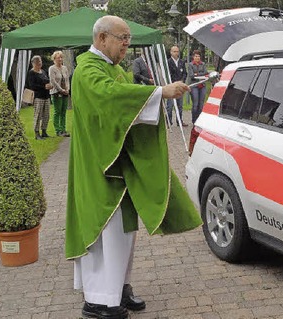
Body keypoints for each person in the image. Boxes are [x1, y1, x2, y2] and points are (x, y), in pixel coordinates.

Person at [65, 15, 202, 319]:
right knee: (106, 232)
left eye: (128, 38)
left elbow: (129, 111)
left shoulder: (112, 69)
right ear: (102, 38)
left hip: (118, 162)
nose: (127, 44)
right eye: (122, 38)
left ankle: (119, 289)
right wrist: (159, 93)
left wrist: (155, 95)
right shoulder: (88, 69)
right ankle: (100, 301)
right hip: (100, 166)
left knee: (126, 232)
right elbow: (111, 100)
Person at [26, 55, 52, 140]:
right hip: (38, 97)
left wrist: (49, 85)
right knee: (38, 115)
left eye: (40, 61)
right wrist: (44, 87)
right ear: (33, 63)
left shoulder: (43, 71)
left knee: (46, 115)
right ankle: (37, 133)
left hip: (46, 96)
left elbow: (47, 81)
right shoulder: (31, 73)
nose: (39, 63)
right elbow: (32, 86)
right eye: (37, 62)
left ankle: (44, 131)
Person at [49, 51, 71, 137]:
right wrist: (61, 90)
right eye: (58, 58)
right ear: (54, 59)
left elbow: (67, 79)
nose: (60, 59)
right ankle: (58, 130)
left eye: (61, 57)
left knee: (63, 111)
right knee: (57, 111)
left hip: (65, 92)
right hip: (56, 92)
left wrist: (67, 89)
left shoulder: (65, 68)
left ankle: (63, 129)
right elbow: (53, 81)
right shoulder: (52, 68)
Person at [167, 45, 187, 126]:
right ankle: (169, 121)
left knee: (180, 105)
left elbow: (185, 73)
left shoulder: (182, 62)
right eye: (174, 51)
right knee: (170, 106)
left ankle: (179, 121)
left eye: (177, 51)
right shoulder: (168, 62)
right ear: (171, 52)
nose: (176, 53)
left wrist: (182, 81)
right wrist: (174, 83)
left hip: (180, 87)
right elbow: (168, 74)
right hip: (171, 86)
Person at [187, 50, 207, 124]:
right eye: (196, 56)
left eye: (198, 56)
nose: (197, 57)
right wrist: (200, 74)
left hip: (202, 86)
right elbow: (191, 75)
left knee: (201, 104)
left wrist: (196, 74)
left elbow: (206, 73)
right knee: (195, 104)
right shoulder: (190, 65)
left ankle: (199, 120)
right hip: (194, 86)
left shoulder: (203, 64)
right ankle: (194, 120)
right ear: (193, 57)